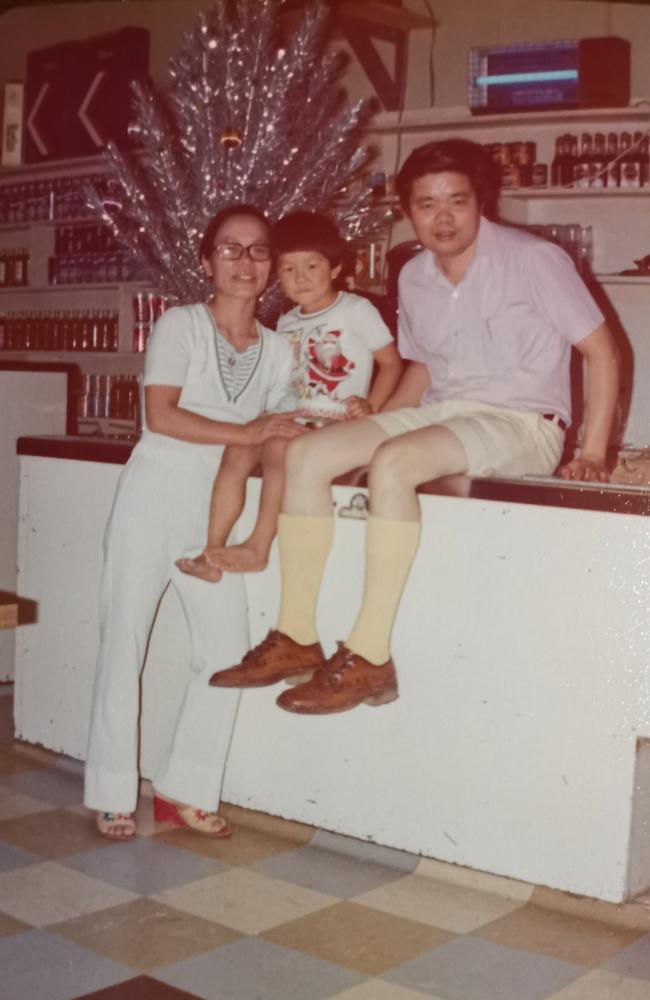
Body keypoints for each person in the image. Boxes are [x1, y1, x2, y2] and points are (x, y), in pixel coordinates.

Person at [208, 139, 620, 714]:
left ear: (482, 202)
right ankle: (296, 636)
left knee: (394, 462)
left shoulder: (533, 259)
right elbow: (423, 369)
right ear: (408, 210)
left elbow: (601, 350)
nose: (443, 217)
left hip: (524, 422)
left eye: (457, 201)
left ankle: (371, 655)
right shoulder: (416, 276)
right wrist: (374, 419)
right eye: (427, 204)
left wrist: (594, 451)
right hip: (444, 412)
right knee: (306, 454)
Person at [84, 204, 304, 839]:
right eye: (230, 249)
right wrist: (249, 429)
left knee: (227, 651)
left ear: (271, 265)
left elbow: (273, 441)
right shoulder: (181, 325)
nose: (244, 261)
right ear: (207, 262)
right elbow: (163, 416)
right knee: (123, 636)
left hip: (215, 503)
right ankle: (111, 793)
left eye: (258, 250)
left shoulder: (281, 351)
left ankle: (186, 785)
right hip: (153, 487)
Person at [175, 211, 401, 581]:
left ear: (335, 268)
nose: (301, 278)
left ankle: (258, 547)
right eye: (289, 270)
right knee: (236, 451)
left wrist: (371, 404)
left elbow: (391, 364)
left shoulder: (356, 310)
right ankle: (211, 549)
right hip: (291, 414)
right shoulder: (285, 322)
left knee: (281, 451)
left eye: (312, 266)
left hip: (333, 420)